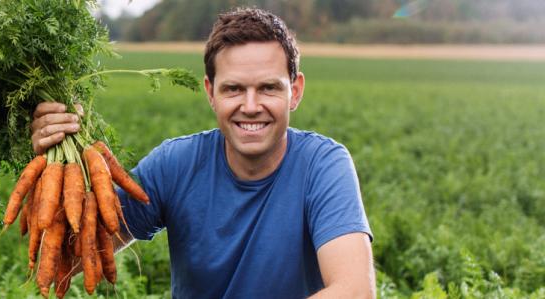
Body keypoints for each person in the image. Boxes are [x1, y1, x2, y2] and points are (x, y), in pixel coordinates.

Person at [30, 8, 374, 298]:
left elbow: (355, 290)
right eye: (234, 89)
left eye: (268, 88)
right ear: (211, 92)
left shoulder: (322, 165)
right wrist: (53, 167)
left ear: (295, 91)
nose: (250, 106)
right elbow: (66, 261)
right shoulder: (175, 166)